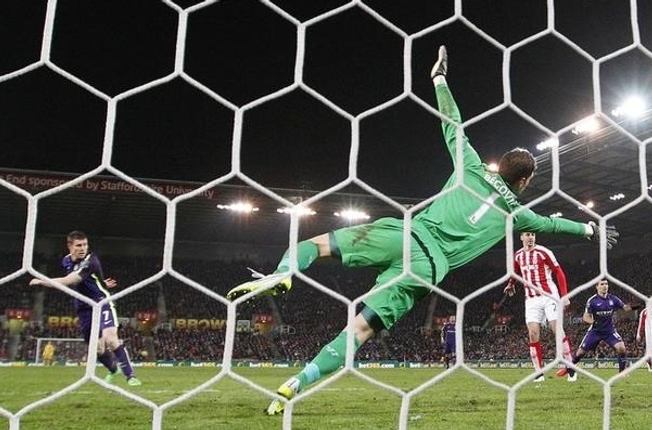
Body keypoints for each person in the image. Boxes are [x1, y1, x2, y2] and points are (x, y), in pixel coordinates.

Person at [226, 46, 619, 416]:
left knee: (318, 244)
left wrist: (439, 80)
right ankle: (295, 384)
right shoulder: (518, 215)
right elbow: (554, 224)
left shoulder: (471, 166)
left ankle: (284, 273)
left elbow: (453, 124)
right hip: (427, 268)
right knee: (360, 329)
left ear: (501, 167)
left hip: (405, 233)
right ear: (526, 180)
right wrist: (589, 229)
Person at [29, 230, 141, 386]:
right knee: (98, 349)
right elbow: (92, 278)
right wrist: (102, 283)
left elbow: (68, 280)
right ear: (70, 246)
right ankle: (113, 369)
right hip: (83, 308)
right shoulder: (66, 261)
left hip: (101, 303)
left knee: (111, 339)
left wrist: (42, 281)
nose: (83, 248)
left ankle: (131, 376)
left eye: (85, 245)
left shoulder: (91, 261)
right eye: (79, 245)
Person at [504, 232, 574, 382]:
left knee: (557, 329)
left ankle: (570, 368)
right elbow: (516, 271)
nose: (530, 237)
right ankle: (539, 373)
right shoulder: (518, 255)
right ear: (521, 238)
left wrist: (564, 295)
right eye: (527, 235)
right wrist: (511, 284)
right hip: (531, 300)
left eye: (533, 235)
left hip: (549, 296)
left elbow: (558, 271)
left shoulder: (544, 252)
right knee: (533, 334)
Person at [556, 279, 638, 379]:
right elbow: (586, 317)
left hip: (609, 331)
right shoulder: (592, 301)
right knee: (580, 353)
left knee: (621, 348)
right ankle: (567, 368)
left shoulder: (613, 299)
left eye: (606, 284)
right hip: (595, 331)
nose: (605, 286)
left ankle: (622, 371)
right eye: (602, 284)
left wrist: (634, 306)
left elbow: (625, 308)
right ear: (597, 287)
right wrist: (593, 322)